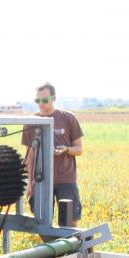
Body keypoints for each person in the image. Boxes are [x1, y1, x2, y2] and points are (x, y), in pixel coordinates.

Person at [20, 82, 84, 226]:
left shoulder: (68, 118)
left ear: (54, 98)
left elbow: (79, 149)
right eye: (38, 101)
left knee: (69, 225)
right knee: (41, 224)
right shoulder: (30, 122)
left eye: (45, 100)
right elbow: (29, 156)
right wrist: (29, 183)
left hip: (66, 181)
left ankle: (71, 249)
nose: (41, 104)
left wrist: (66, 149)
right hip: (41, 181)